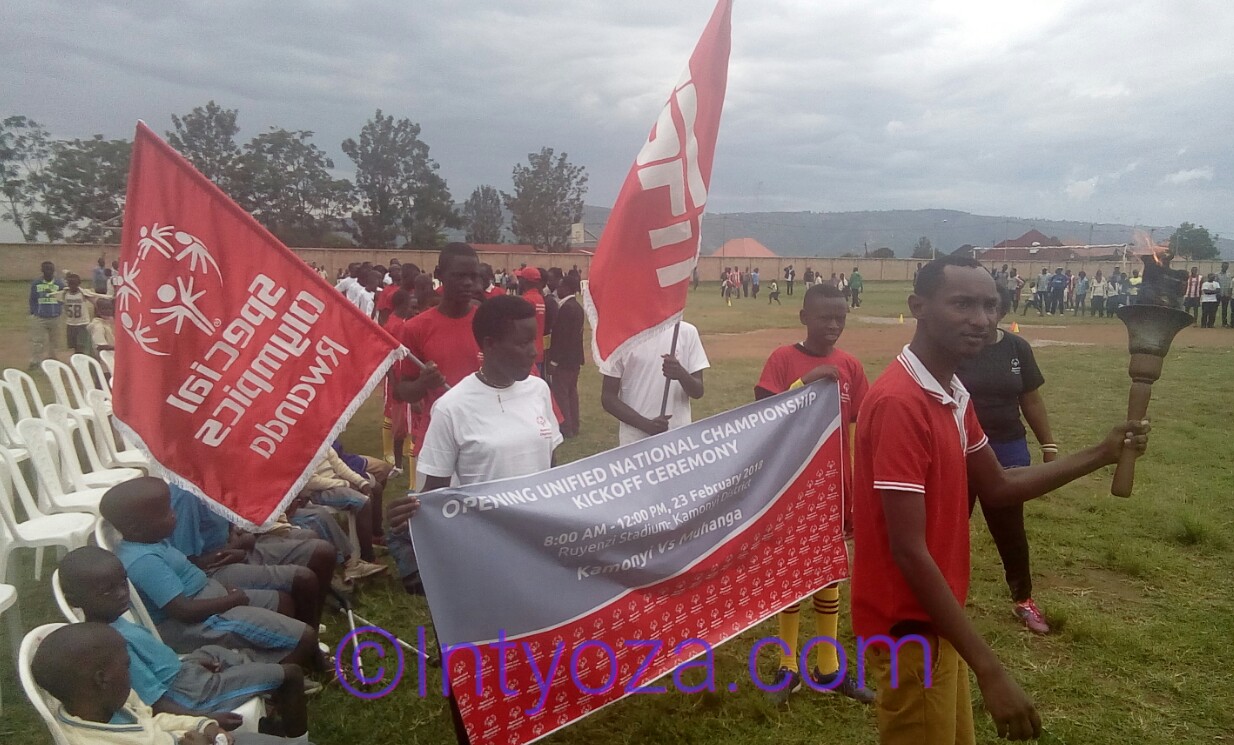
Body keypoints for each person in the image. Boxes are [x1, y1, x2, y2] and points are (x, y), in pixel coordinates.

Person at [852, 255, 1149, 744]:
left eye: (991, 305)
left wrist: (1102, 451)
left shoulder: (952, 392)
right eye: (963, 303)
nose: (983, 319)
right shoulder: (900, 403)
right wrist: (990, 669)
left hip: (940, 616)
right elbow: (908, 550)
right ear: (918, 307)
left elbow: (999, 486)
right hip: (910, 628)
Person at [755, 284, 873, 705]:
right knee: (792, 574)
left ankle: (828, 668)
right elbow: (762, 418)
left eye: (840, 317)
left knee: (827, 572)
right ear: (803, 316)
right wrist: (805, 382)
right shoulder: (783, 360)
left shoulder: (851, 367)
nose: (833, 325)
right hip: (791, 489)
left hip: (833, 490)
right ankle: (788, 667)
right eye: (824, 317)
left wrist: (854, 493)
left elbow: (859, 433)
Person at [58, 547, 309, 736]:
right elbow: (155, 703)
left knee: (221, 653)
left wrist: (195, 661)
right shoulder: (108, 645)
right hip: (190, 697)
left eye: (122, 582)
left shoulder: (112, 622)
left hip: (185, 672)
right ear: (74, 600)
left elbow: (159, 663)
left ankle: (267, 715)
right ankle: (296, 738)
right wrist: (203, 718)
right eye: (107, 591)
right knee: (291, 674)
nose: (122, 593)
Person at [99, 478, 320, 668]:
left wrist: (223, 562)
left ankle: (280, 659)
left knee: (282, 601)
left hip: (209, 598)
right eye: (166, 512)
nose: (174, 514)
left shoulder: (151, 541)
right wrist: (230, 600)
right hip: (195, 625)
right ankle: (269, 679)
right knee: (305, 637)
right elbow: (183, 611)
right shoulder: (143, 561)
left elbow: (185, 569)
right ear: (136, 528)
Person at [956, 288, 1057, 634]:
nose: (984, 317)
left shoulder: (1017, 348)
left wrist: (1049, 444)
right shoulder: (956, 348)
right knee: (952, 526)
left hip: (1008, 450)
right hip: (960, 451)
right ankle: (945, 599)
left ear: (1001, 311)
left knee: (1010, 529)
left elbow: (1031, 399)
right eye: (976, 306)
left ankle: (1024, 601)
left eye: (993, 307)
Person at [31, 623, 309, 745]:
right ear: (102, 680)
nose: (131, 674)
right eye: (127, 666)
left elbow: (156, 721)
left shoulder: (115, 703)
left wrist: (203, 725)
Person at [166, 485, 332, 629]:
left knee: (322, 553)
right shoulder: (187, 495)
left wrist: (240, 536)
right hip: (211, 569)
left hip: (237, 549)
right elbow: (187, 562)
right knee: (304, 578)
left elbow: (228, 527)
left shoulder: (216, 481)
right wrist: (237, 546)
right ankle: (306, 646)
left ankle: (309, 630)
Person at [395, 243, 484, 491]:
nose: (468, 283)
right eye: (459, 275)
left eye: (473, 276)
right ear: (439, 275)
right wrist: (424, 383)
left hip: (484, 442)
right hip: (437, 445)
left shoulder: (488, 321)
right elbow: (401, 392)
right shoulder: (415, 328)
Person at [600, 320, 709, 447]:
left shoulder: (686, 332)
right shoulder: (621, 336)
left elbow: (698, 391)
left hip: (679, 438)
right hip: (635, 441)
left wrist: (681, 374)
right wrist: (646, 425)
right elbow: (608, 398)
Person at [300, 449, 384, 578]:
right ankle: (368, 557)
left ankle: (364, 552)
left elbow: (340, 466)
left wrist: (362, 483)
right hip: (316, 492)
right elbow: (311, 482)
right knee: (362, 502)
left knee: (370, 491)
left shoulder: (322, 442)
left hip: (335, 484)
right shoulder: (297, 449)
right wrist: (344, 484)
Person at [547, 273, 584, 438]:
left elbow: (561, 337)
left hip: (564, 360)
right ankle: (574, 425)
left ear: (567, 288)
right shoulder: (576, 307)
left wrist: (554, 361)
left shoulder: (566, 309)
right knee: (571, 392)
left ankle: (565, 428)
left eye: (561, 286)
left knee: (561, 393)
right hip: (574, 358)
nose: (558, 289)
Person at [29, 260, 65, 368]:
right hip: (40, 317)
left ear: (54, 270)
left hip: (55, 317)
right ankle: (36, 361)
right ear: (42, 270)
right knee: (38, 341)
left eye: (51, 269)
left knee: (55, 341)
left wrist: (59, 310)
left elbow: (63, 298)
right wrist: (34, 312)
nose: (49, 271)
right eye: (46, 269)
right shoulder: (36, 283)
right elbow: (32, 299)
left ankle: (53, 359)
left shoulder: (59, 284)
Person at [516, 267, 549, 375]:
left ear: (524, 281)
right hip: (538, 349)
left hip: (526, 352)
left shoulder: (526, 300)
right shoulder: (539, 298)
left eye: (520, 278)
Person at [89, 297, 117, 373]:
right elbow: (100, 346)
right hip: (104, 363)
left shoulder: (108, 322)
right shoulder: (98, 326)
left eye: (110, 309)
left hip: (112, 360)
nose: (108, 311)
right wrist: (118, 348)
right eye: (104, 309)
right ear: (97, 311)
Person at [1217, 262, 1232, 327]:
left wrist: (1229, 294)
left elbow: (1230, 285)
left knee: (1225, 309)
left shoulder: (1229, 275)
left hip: (1226, 295)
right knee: (1214, 308)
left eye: (1227, 266)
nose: (1225, 267)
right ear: (1221, 266)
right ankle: (1211, 322)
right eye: (1224, 266)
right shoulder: (1217, 274)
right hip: (1218, 294)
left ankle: (1224, 323)